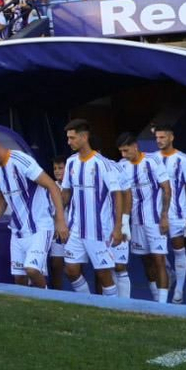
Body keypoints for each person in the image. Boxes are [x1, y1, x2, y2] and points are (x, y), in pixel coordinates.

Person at [0, 129, 67, 288]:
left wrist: (60, 220)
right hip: (17, 231)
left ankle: (46, 299)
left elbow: (52, 186)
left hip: (39, 228)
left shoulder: (21, 160)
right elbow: (1, 199)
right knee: (19, 279)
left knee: (32, 271)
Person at [57, 120, 125, 297]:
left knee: (104, 274)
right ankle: (88, 302)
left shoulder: (103, 164)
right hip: (76, 228)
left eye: (72, 138)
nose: (69, 142)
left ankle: (114, 307)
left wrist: (118, 228)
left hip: (99, 230)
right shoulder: (71, 162)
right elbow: (65, 193)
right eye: (68, 138)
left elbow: (117, 195)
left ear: (84, 137)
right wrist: (59, 219)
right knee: (71, 270)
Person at [119, 132, 170, 302]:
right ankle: (156, 299)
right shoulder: (122, 166)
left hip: (154, 220)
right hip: (136, 222)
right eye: (121, 152)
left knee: (159, 260)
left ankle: (163, 305)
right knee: (146, 261)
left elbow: (166, 188)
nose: (123, 155)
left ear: (135, 146)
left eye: (126, 151)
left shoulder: (153, 161)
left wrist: (164, 216)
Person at [154, 123, 186, 303]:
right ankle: (169, 274)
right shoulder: (151, 158)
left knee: (178, 249)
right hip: (155, 213)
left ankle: (179, 290)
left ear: (171, 137)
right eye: (157, 138)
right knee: (157, 252)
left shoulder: (183, 159)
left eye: (162, 137)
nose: (159, 141)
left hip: (178, 212)